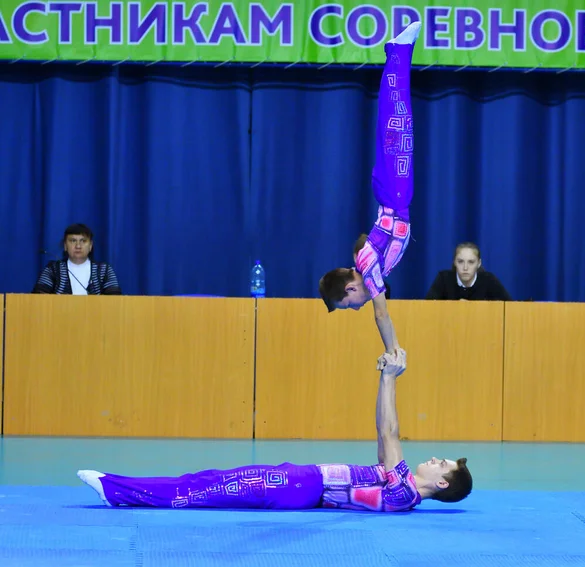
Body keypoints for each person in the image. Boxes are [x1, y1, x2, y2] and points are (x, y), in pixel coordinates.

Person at [77, 350, 472, 512]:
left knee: (206, 492)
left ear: (440, 484)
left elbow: (391, 432)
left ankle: (120, 492)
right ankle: (122, 489)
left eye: (443, 465)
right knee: (208, 480)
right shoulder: (395, 480)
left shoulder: (404, 494)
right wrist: (384, 381)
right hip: (302, 481)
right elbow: (381, 429)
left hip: (302, 486)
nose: (436, 459)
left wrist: (392, 377)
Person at [319, 21, 421, 357]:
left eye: (349, 305)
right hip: (391, 195)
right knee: (393, 120)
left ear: (350, 288)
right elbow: (363, 242)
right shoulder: (364, 262)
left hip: (394, 196)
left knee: (396, 116)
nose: (357, 308)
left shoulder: (368, 271)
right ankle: (398, 53)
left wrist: (393, 351)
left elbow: (381, 311)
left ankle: (399, 51)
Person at [32, 223, 121, 295]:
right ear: (65, 246)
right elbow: (39, 297)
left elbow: (115, 299)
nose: (78, 246)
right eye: (73, 241)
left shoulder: (103, 270)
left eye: (83, 241)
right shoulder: (53, 269)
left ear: (90, 246)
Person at [425, 242, 511, 301]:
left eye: (471, 262)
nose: (465, 268)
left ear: (479, 263)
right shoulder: (443, 279)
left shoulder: (489, 280)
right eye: (460, 261)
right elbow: (428, 307)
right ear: (454, 262)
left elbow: (509, 307)